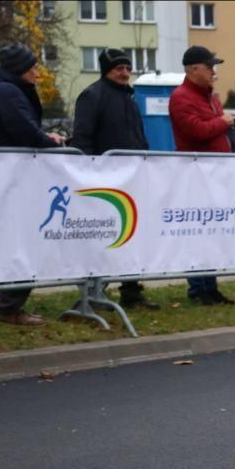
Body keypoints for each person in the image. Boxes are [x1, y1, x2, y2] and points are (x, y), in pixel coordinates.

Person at [0, 42, 65, 326]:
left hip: (11, 175)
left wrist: (45, 138)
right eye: (32, 68)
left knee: (9, 239)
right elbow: (24, 130)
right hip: (12, 176)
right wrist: (51, 144)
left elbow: (23, 128)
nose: (37, 73)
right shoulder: (7, 91)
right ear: (20, 68)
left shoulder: (8, 89)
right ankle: (9, 306)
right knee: (26, 241)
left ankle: (4, 298)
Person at [71, 48, 158, 310]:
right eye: (119, 68)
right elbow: (82, 137)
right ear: (107, 70)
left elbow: (138, 136)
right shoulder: (92, 96)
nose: (125, 73)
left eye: (128, 68)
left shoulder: (129, 98)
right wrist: (89, 172)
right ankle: (92, 293)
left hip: (131, 178)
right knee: (100, 238)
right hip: (103, 181)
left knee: (131, 236)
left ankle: (131, 292)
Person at [168, 45, 235, 306]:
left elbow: (214, 130)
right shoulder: (181, 97)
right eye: (209, 66)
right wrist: (223, 122)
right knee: (197, 231)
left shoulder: (211, 97)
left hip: (215, 172)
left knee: (213, 232)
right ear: (193, 69)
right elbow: (196, 131)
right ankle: (198, 288)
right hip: (195, 174)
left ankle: (211, 285)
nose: (213, 71)